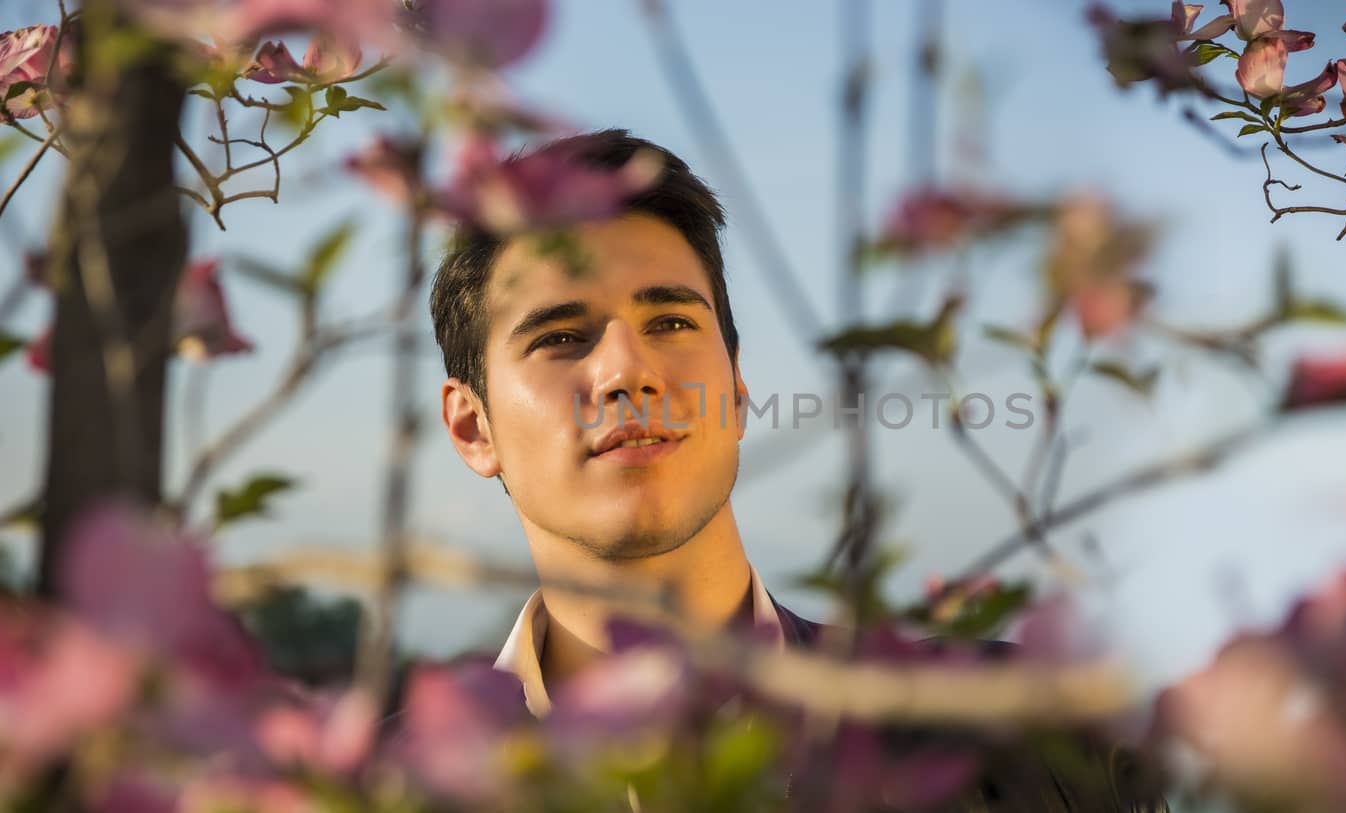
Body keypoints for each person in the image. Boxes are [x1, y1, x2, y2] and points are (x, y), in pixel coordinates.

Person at [429, 129, 1165, 811]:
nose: (628, 371)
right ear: (472, 425)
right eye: (560, 336)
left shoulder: (1041, 738)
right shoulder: (382, 786)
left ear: (738, 390)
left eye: (673, 323)